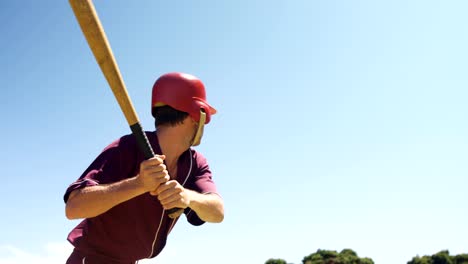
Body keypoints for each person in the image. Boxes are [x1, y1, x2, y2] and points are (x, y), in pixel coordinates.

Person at [64, 72, 224, 264]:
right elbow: (74, 207)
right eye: (203, 116)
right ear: (193, 115)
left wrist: (188, 197)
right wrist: (139, 183)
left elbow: (217, 212)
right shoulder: (127, 147)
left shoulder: (195, 162)